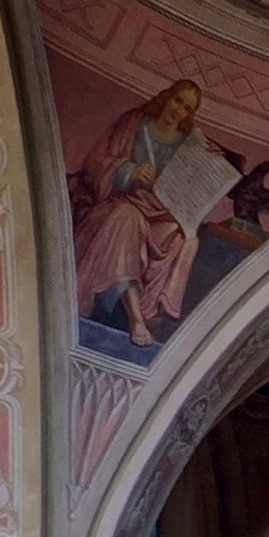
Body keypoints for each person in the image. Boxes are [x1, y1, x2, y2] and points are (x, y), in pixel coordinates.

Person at [71, 80, 235, 344]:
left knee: (188, 238)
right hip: (120, 202)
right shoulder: (134, 123)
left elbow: (194, 189)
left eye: (186, 109)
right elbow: (95, 161)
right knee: (127, 218)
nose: (178, 110)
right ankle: (136, 317)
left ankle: (155, 312)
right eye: (177, 101)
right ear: (167, 97)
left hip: (160, 212)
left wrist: (210, 160)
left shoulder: (188, 144)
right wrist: (129, 170)